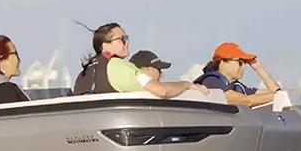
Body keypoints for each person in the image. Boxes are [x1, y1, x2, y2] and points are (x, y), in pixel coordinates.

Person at [73, 24, 207, 98]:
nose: (127, 43)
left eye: (127, 38)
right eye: (122, 39)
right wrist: (187, 85)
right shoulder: (119, 66)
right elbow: (162, 91)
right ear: (105, 45)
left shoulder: (83, 74)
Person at [195, 42, 281, 108]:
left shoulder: (237, 86)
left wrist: (258, 68)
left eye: (245, 63)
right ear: (222, 62)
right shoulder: (211, 80)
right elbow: (243, 101)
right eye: (239, 62)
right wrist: (278, 96)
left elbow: (276, 92)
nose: (243, 66)